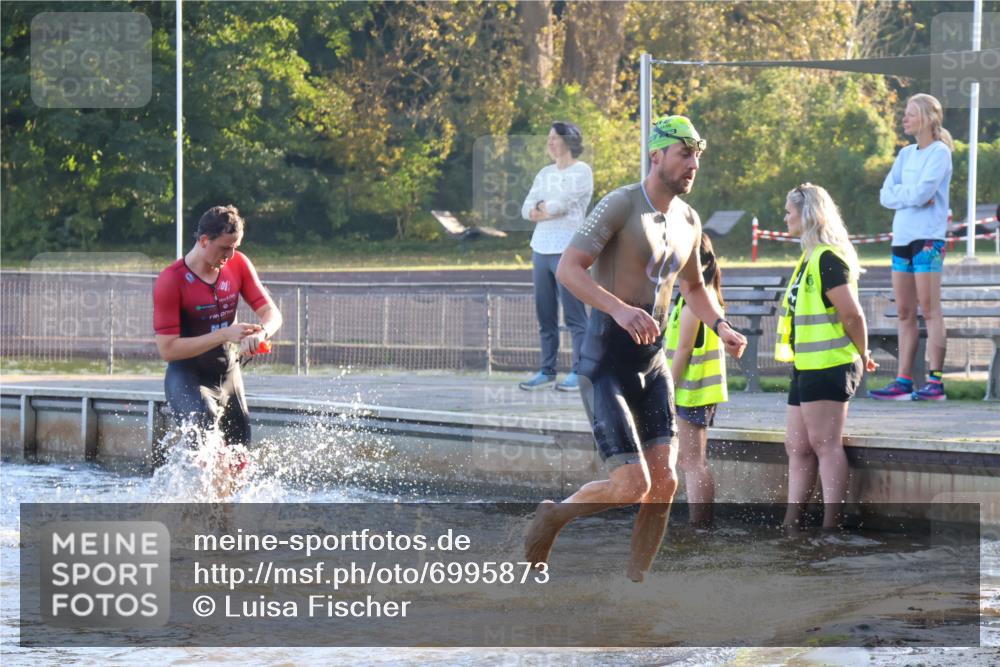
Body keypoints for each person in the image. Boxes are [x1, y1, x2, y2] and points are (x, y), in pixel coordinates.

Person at [524, 115, 747, 581]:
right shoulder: (620, 204)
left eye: (697, 157)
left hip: (652, 364)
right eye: (685, 154)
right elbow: (569, 269)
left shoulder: (688, 219)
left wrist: (721, 325)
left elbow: (695, 286)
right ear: (657, 155)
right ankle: (552, 517)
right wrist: (620, 309)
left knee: (664, 483)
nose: (693, 165)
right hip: (605, 360)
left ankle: (636, 585)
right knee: (632, 484)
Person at [153, 205, 282, 496]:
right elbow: (168, 349)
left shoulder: (237, 265)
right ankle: (196, 522)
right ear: (203, 241)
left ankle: (226, 528)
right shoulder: (171, 280)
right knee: (205, 434)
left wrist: (261, 333)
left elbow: (272, 314)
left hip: (228, 375)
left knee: (238, 457)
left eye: (236, 247)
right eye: (225, 248)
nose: (230, 256)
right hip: (188, 377)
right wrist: (225, 334)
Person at [776, 184, 878, 531]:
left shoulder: (827, 258)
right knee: (797, 445)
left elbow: (853, 314)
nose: (785, 216)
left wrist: (862, 353)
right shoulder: (808, 257)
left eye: (789, 210)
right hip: (805, 365)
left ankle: (832, 526)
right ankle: (793, 523)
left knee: (824, 444)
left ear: (807, 214)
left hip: (830, 363)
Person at [870, 93, 953, 402]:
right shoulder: (905, 155)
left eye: (910, 114)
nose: (904, 118)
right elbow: (885, 195)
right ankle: (903, 380)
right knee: (905, 312)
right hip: (902, 238)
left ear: (928, 118)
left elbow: (921, 196)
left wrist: (907, 196)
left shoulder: (940, 153)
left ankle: (935, 383)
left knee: (930, 310)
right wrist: (911, 195)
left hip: (928, 239)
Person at [519, 121, 593, 392]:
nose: (549, 143)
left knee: (575, 316)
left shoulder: (582, 171)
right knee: (545, 314)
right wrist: (541, 209)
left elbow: (560, 204)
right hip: (541, 248)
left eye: (554, 138)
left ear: (568, 141)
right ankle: (546, 370)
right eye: (548, 138)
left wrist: (544, 208)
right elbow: (526, 209)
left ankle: (579, 371)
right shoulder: (544, 173)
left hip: (567, 251)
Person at [664, 233, 728, 527]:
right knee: (688, 462)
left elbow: (685, 350)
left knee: (693, 463)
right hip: (689, 393)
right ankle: (698, 523)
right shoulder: (688, 298)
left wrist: (667, 388)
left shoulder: (697, 303)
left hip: (693, 392)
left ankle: (700, 527)